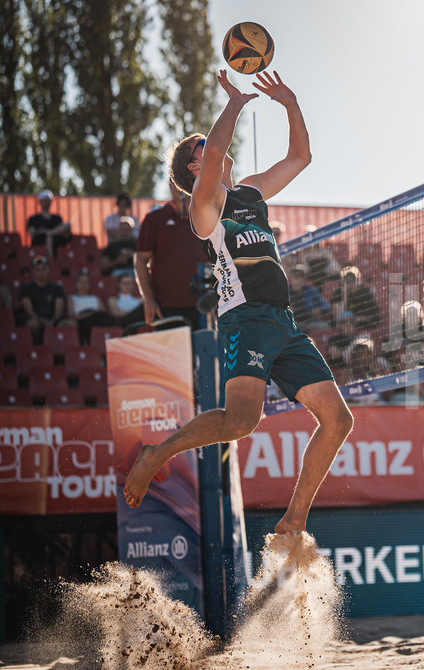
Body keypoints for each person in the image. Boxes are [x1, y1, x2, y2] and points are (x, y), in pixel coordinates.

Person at [122, 70, 353, 538]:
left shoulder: (249, 192)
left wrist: (290, 101)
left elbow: (301, 157)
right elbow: (212, 165)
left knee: (337, 420)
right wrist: (234, 104)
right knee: (241, 422)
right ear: (194, 168)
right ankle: (156, 454)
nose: (213, 146)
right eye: (201, 147)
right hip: (243, 319)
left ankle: (294, 521)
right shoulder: (205, 205)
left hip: (283, 322)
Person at [135, 179, 209, 330]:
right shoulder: (154, 219)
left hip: (206, 306)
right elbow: (141, 260)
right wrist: (148, 299)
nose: (181, 188)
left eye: (185, 179)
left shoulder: (208, 216)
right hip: (166, 308)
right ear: (170, 185)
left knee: (207, 352)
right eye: (177, 181)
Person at [18, 255, 70, 342]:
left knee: (69, 324)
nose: (41, 272)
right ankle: (36, 347)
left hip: (53, 319)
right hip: (35, 319)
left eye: (43, 269)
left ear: (48, 270)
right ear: (34, 272)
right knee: (33, 324)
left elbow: (59, 310)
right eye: (38, 270)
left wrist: (52, 321)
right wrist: (42, 321)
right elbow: (29, 310)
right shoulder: (26, 288)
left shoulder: (57, 288)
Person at [330, 265, 381, 330]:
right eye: (347, 280)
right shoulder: (338, 292)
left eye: (352, 280)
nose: (350, 283)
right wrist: (345, 295)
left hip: (362, 326)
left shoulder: (364, 292)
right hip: (344, 328)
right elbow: (338, 317)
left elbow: (373, 316)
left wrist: (356, 319)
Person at [68, 270, 112, 344]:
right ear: (76, 283)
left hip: (97, 320)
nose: (83, 285)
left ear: (89, 284)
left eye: (86, 282)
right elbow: (71, 315)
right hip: (82, 321)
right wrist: (87, 314)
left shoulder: (96, 298)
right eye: (81, 282)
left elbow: (103, 314)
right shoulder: (72, 298)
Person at [26, 190, 72, 256]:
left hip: (57, 242)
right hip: (41, 242)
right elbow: (33, 234)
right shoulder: (33, 219)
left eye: (48, 200)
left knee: (68, 225)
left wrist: (47, 232)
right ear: (40, 202)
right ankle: (50, 261)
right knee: (48, 239)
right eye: (45, 200)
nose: (46, 203)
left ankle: (49, 233)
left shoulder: (57, 218)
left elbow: (65, 230)